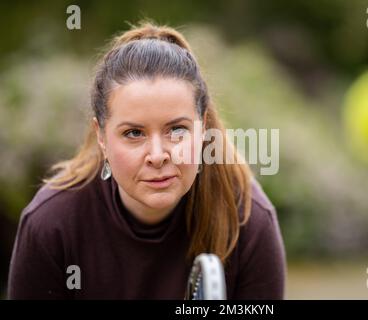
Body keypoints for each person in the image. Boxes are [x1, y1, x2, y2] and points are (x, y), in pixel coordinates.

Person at [7, 21, 286, 299]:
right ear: (102, 137)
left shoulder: (249, 220)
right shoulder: (51, 224)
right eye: (134, 133)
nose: (157, 155)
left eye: (177, 130)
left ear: (202, 129)